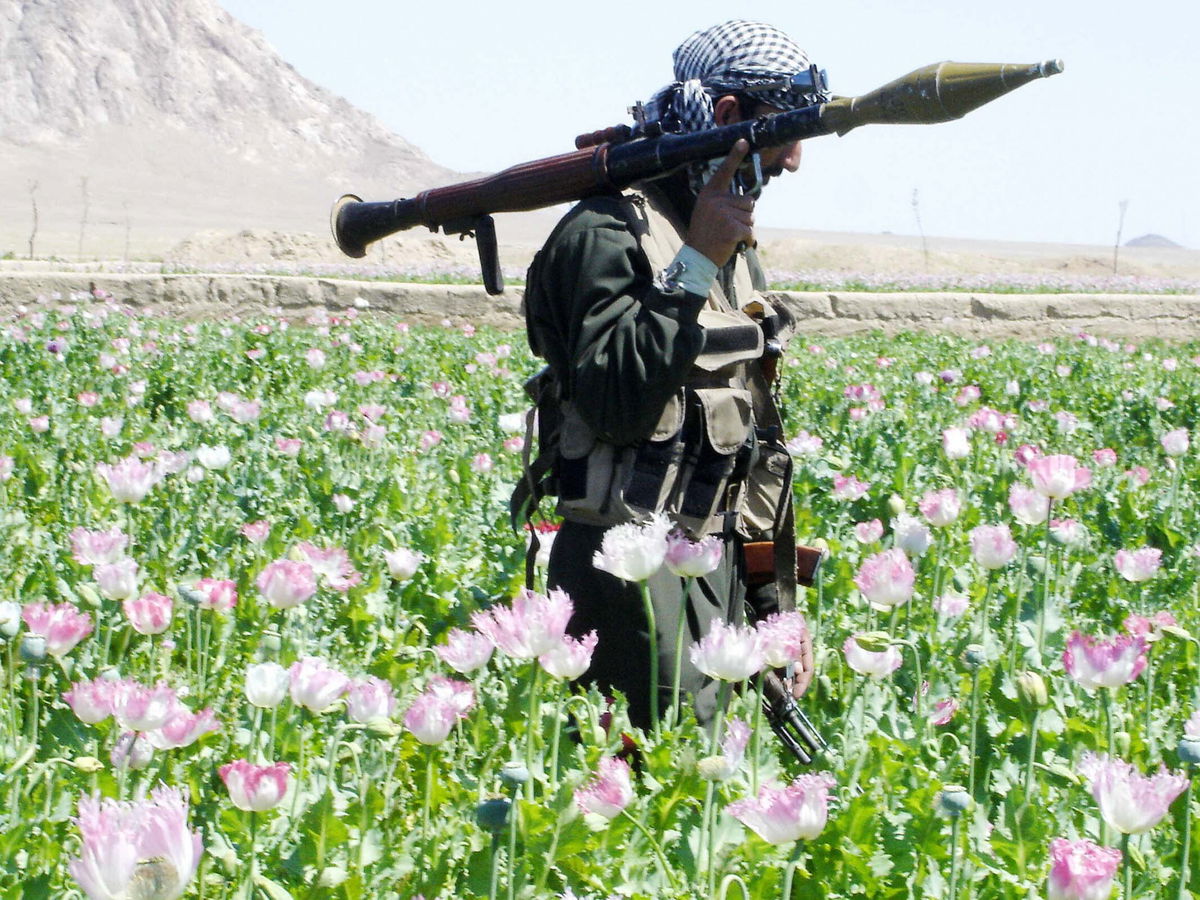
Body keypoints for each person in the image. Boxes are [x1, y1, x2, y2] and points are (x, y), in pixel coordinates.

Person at [518, 20, 821, 730]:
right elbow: (618, 401)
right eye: (788, 129)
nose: (797, 159)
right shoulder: (603, 234)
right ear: (726, 119)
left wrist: (776, 609)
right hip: (623, 586)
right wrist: (696, 260)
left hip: (712, 576)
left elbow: (752, 448)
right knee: (639, 792)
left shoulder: (728, 239)